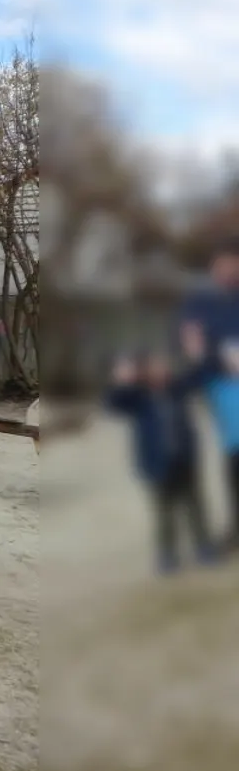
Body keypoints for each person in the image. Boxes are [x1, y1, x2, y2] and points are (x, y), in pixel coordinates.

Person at [104, 351, 220, 573]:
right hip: (158, 464)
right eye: (155, 367)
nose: (161, 371)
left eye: (164, 366)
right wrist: (121, 380)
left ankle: (204, 548)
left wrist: (198, 352)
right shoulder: (138, 397)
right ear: (147, 372)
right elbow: (112, 404)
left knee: (195, 507)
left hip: (184, 461)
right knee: (164, 514)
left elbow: (200, 376)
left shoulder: (177, 389)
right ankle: (167, 556)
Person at [177, 234, 239, 550]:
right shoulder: (201, 301)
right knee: (234, 450)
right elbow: (193, 345)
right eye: (223, 265)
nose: (229, 271)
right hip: (221, 384)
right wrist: (216, 355)